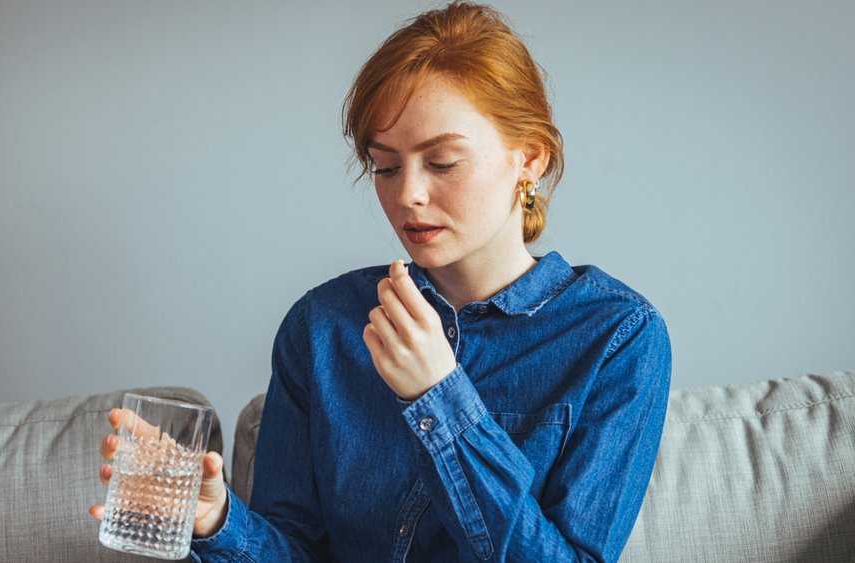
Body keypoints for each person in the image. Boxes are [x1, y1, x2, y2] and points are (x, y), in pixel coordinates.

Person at [91, 2, 671, 561]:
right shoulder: (323, 326)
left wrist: (440, 398)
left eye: (442, 162)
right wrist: (216, 522)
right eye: (386, 166)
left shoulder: (619, 337)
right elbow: (297, 551)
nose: (407, 195)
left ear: (531, 159)